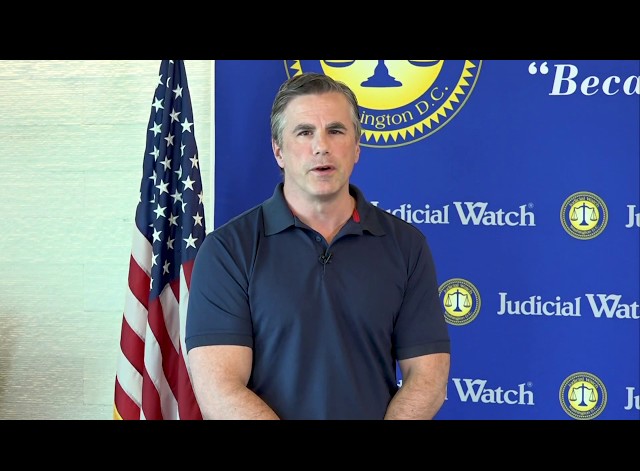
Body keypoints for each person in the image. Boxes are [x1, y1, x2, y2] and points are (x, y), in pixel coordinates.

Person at [185, 72, 451, 420]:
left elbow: (428, 378)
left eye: (336, 131)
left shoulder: (406, 245)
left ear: (357, 147)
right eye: (304, 132)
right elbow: (219, 388)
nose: (321, 146)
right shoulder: (227, 251)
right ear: (278, 151)